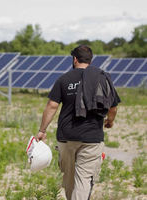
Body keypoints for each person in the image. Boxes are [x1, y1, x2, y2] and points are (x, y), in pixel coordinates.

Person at [36, 45, 120, 200]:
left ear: (74, 59)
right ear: (90, 59)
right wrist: (110, 121)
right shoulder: (102, 78)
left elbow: (52, 106)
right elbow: (113, 106)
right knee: (84, 179)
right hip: (92, 137)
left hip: (66, 136)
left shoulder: (64, 79)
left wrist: (42, 130)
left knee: (69, 178)